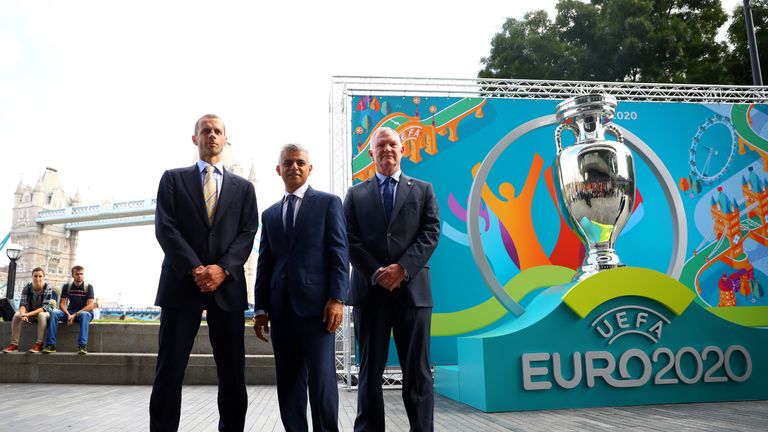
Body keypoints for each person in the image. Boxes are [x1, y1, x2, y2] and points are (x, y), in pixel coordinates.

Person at [149, 114, 259, 432]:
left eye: (218, 131)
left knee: (232, 372)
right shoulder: (172, 179)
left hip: (228, 288)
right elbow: (165, 229)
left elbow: (248, 232)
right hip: (181, 285)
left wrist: (222, 269)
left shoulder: (245, 188)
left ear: (226, 139)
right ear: (194, 139)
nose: (211, 135)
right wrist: (197, 269)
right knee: (169, 368)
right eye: (205, 130)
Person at [344, 127, 441, 432]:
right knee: (370, 373)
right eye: (380, 145)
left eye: (393, 144)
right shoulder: (355, 194)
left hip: (413, 294)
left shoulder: (423, 189)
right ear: (371, 154)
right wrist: (376, 273)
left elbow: (430, 233)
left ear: (403, 150)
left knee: (418, 373)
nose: (387, 149)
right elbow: (348, 238)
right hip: (370, 294)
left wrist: (401, 269)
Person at [253, 144, 349, 432]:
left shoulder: (329, 203)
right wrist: (260, 308)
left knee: (322, 383)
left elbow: (339, 253)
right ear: (278, 169)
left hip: (319, 310)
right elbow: (264, 264)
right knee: (289, 383)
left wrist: (337, 298)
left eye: (300, 162)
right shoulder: (269, 215)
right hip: (281, 311)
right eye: (288, 162)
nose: (294, 167)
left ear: (309, 168)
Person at [2, 267, 57, 354]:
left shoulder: (48, 288)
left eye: (40, 276)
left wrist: (28, 314)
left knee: (41, 315)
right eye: (35, 276)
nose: (37, 278)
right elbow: (23, 304)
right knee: (17, 315)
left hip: (44, 314)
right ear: (32, 276)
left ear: (43, 277)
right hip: (30, 314)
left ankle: (39, 344)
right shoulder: (27, 287)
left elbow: (44, 308)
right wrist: (23, 314)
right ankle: (14, 344)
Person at [43, 265, 95, 355]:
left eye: (81, 274)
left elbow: (90, 306)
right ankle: (50, 345)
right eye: (77, 274)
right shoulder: (67, 286)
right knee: (54, 313)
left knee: (84, 315)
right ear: (73, 275)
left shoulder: (89, 287)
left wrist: (75, 315)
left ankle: (82, 346)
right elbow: (62, 303)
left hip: (84, 314)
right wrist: (68, 314)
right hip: (70, 312)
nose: (79, 276)